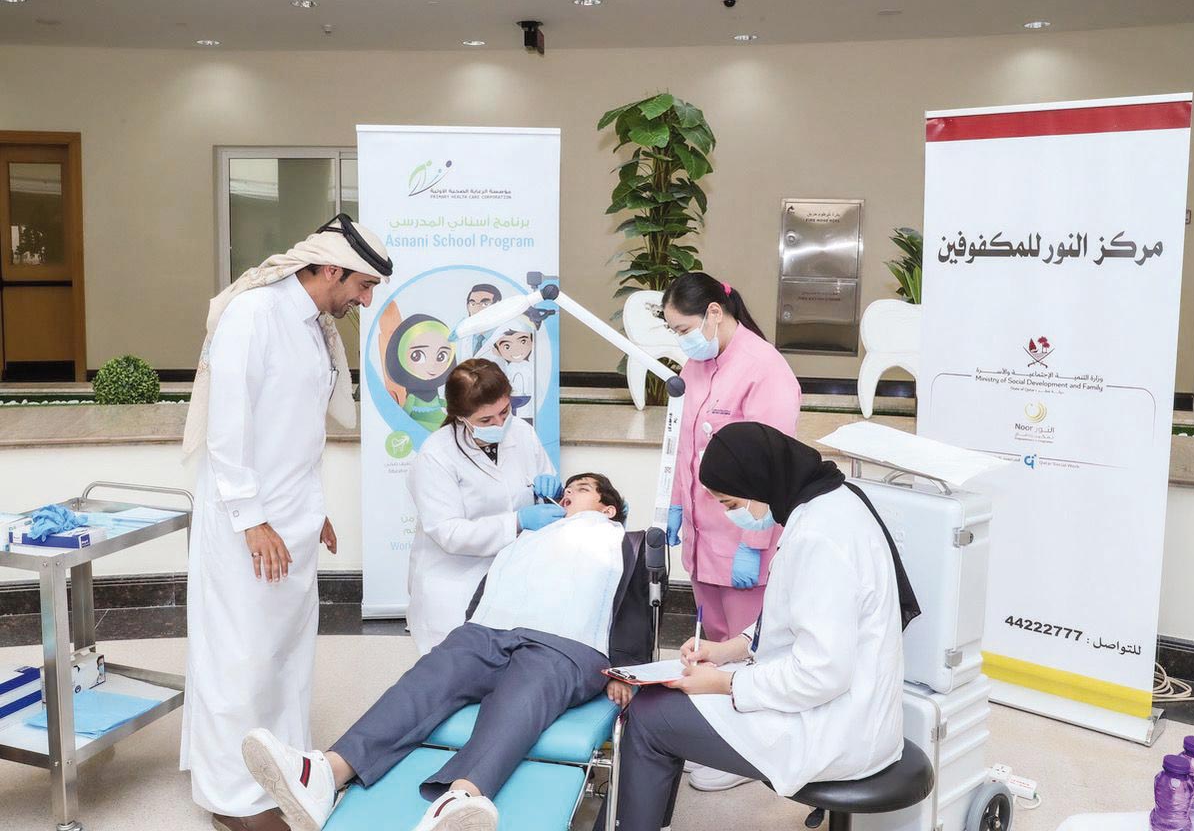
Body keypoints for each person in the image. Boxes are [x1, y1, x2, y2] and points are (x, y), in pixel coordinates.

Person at [241, 474, 652, 831]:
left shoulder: (621, 540)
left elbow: (634, 608)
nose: (566, 496)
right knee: (428, 679)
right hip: (489, 631)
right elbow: (490, 591)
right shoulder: (530, 534)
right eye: (564, 491)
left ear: (609, 508)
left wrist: (628, 672)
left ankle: (460, 801)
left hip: (565, 644)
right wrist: (471, 634)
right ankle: (325, 773)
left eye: (580, 490)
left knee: (521, 699)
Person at [179, 214, 392, 831]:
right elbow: (230, 425)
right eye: (362, 284)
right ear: (329, 268)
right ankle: (231, 799)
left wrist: (310, 509)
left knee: (285, 655)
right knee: (239, 657)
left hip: (291, 513)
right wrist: (252, 519)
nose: (365, 298)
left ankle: (284, 777)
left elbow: (292, 427)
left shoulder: (315, 326)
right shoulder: (255, 314)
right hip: (246, 518)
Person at [607, 422, 920, 831]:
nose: (731, 514)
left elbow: (821, 672)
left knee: (649, 719)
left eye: (732, 503)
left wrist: (724, 684)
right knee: (657, 708)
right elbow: (793, 616)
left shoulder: (820, 536)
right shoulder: (827, 499)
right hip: (841, 705)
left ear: (760, 481)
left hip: (838, 730)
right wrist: (726, 650)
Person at [659, 270, 802, 790]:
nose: (681, 340)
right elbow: (683, 446)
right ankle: (720, 739)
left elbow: (772, 467)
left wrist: (755, 543)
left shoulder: (767, 370)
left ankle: (753, 753)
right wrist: (673, 507)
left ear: (714, 314)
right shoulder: (696, 362)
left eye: (682, 328)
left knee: (752, 651)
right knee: (711, 644)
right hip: (701, 535)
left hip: (744, 540)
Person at [406, 358, 564, 654]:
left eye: (504, 411)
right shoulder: (436, 457)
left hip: (512, 576)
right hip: (455, 582)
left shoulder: (521, 432)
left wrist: (551, 489)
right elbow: (449, 532)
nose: (500, 424)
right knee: (455, 673)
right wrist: (516, 522)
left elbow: (542, 480)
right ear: (460, 417)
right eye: (486, 420)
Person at [456, 283, 502, 360]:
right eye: (473, 304)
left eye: (485, 304)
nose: (477, 309)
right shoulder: (462, 337)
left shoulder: (507, 336)